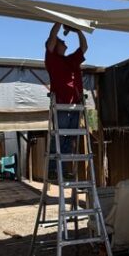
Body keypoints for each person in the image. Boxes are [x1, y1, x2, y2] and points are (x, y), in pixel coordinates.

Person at [44, 22, 88, 174]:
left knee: (70, 139)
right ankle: (52, 168)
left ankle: (62, 170)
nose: (64, 42)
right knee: (60, 137)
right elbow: (51, 37)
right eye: (61, 41)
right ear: (55, 45)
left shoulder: (71, 60)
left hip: (75, 105)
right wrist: (59, 19)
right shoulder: (52, 59)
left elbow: (84, 47)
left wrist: (78, 30)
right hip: (61, 104)